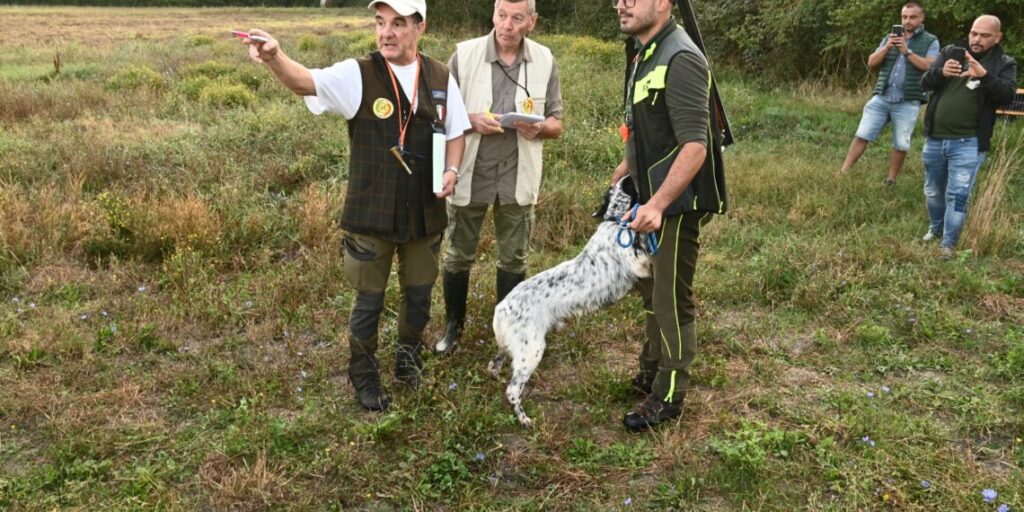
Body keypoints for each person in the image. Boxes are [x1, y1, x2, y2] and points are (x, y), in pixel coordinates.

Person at [240, 0, 471, 411]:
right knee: (369, 299)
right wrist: (276, 57)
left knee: (418, 295)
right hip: (372, 213)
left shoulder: (440, 75)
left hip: (425, 212)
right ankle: (364, 377)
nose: (386, 33)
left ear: (421, 28)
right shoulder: (357, 73)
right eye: (381, 23)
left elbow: (457, 131)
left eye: (398, 24)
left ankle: (408, 362)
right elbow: (304, 82)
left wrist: (452, 169)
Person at [611, 0, 728, 433]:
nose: (621, 4)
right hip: (649, 199)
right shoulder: (645, 50)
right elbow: (644, 126)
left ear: (663, 3)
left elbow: (695, 145)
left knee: (670, 299)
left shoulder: (681, 57)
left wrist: (658, 203)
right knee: (649, 288)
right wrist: (627, 167)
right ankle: (650, 369)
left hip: (675, 205)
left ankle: (669, 394)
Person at [433, 0, 564, 354]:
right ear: (493, 15)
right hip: (470, 172)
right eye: (502, 15)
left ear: (531, 22)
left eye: (517, 18)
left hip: (516, 176)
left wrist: (539, 129)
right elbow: (439, 112)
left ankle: (505, 334)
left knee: (514, 259)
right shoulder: (464, 55)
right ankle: (453, 327)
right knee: (458, 255)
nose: (507, 25)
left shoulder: (545, 60)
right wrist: (471, 120)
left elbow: (556, 121)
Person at [920, 15, 1016, 258]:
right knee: (933, 189)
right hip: (935, 137)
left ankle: (948, 245)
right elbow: (925, 82)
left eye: (984, 35)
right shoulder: (951, 52)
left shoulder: (1003, 62)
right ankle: (936, 228)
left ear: (997, 37)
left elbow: (1006, 95)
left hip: (969, 142)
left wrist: (983, 75)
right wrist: (941, 72)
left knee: (958, 194)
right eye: (974, 33)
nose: (977, 39)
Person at [839, 1, 939, 185]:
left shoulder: (930, 40)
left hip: (908, 100)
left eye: (912, 17)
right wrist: (887, 47)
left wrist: (906, 51)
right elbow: (871, 62)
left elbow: (928, 66)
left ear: (922, 18)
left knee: (901, 143)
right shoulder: (889, 37)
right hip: (882, 97)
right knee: (862, 134)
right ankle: (843, 172)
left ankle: (891, 180)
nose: (907, 21)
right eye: (904, 17)